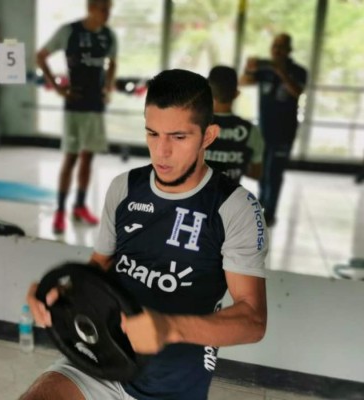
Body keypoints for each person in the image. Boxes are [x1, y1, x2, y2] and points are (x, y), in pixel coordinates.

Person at [22, 69, 268, 400]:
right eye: (153, 134)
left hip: (171, 381)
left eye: (178, 137)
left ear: (208, 136)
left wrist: (170, 327)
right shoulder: (124, 188)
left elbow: (253, 321)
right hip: (102, 353)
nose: (161, 152)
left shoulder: (234, 207)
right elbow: (98, 267)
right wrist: (60, 294)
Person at [36, 0, 118, 235]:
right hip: (74, 105)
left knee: (87, 158)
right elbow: (41, 56)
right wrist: (57, 88)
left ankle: (79, 206)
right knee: (70, 158)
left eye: (109, 9)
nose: (107, 14)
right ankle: (60, 210)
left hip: (95, 106)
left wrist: (109, 88)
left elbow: (112, 63)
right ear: (91, 8)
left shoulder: (109, 36)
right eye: (103, 9)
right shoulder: (69, 31)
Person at [240, 33, 307, 226]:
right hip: (263, 129)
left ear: (289, 50)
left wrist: (281, 72)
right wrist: (250, 69)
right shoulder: (265, 69)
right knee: (262, 169)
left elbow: (297, 92)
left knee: (275, 172)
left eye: (281, 47)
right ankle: (262, 202)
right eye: (274, 46)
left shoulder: (298, 71)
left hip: (284, 131)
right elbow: (243, 82)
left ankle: (271, 212)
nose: (276, 50)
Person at [206, 65, 264, 183]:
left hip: (195, 198)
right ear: (236, 94)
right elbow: (256, 173)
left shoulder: (194, 126)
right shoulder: (250, 131)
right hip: (230, 198)